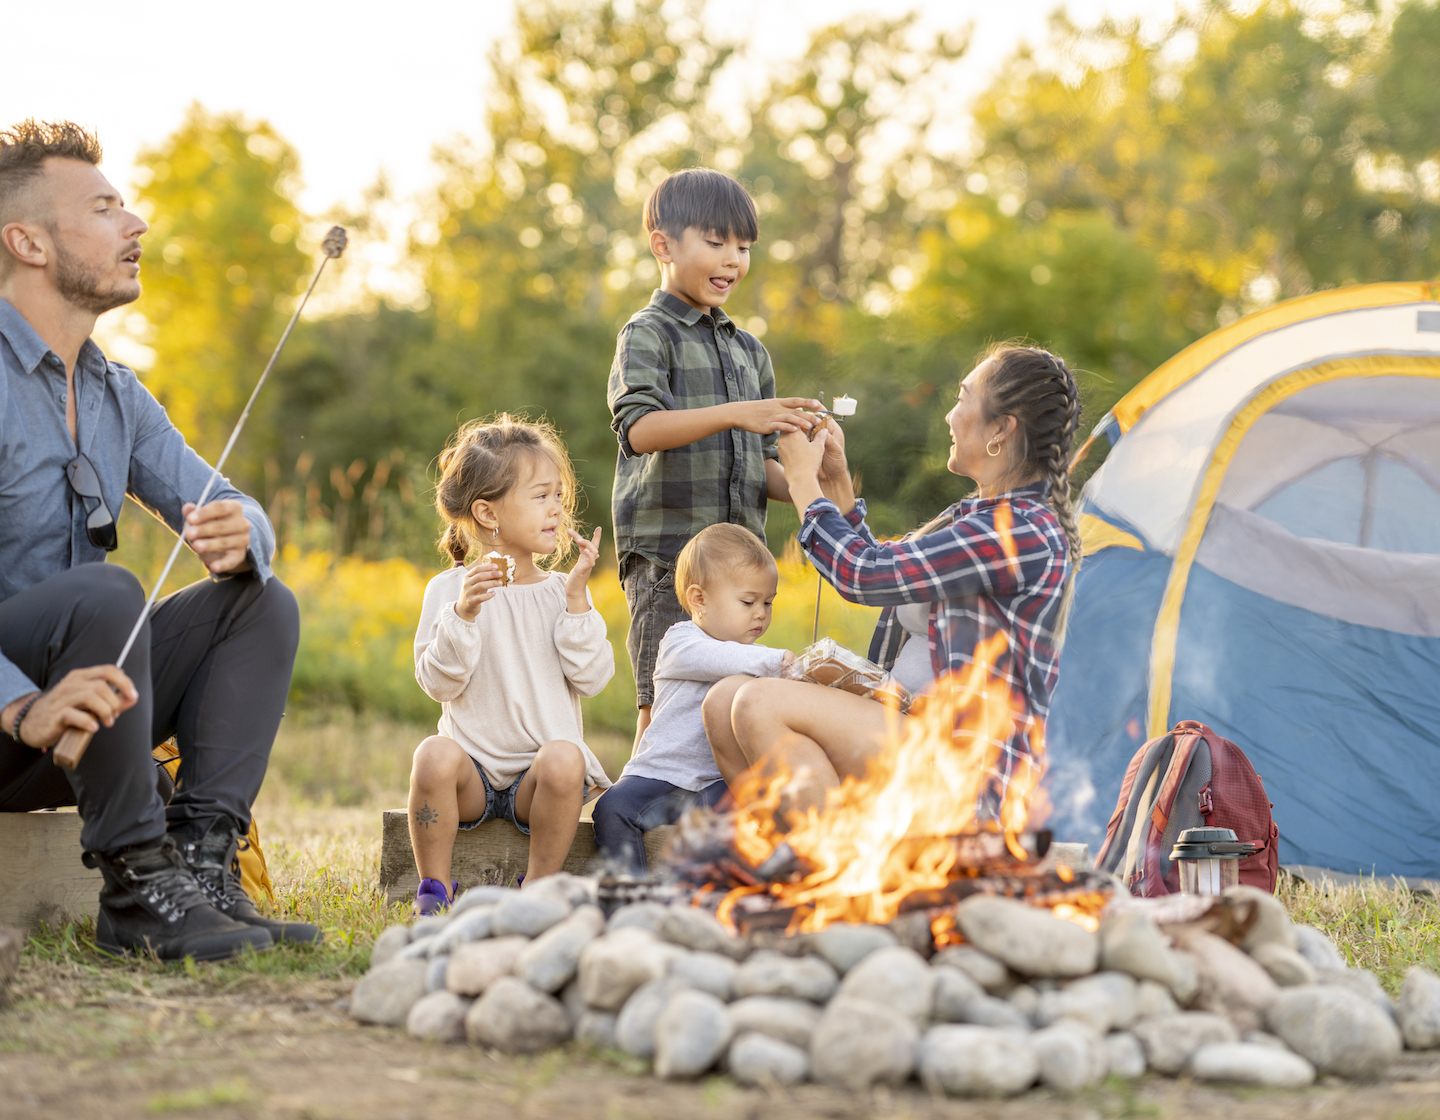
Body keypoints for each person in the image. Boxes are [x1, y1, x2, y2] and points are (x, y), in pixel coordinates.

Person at [0, 119, 313, 960]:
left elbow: (230, 504)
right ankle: (135, 887)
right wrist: (21, 705)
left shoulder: (116, 393)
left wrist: (242, 532)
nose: (136, 225)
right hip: (12, 718)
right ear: (26, 240)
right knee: (106, 592)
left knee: (258, 601)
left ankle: (202, 867)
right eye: (104, 208)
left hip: (81, 724)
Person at [705, 345, 1083, 820]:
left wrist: (802, 482)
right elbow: (881, 562)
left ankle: (831, 873)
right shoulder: (972, 516)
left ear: (1000, 429)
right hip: (908, 730)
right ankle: (794, 859)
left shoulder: (1021, 531)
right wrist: (834, 479)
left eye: (962, 399)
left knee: (757, 704)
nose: (950, 416)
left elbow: (863, 576)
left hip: (964, 770)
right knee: (721, 701)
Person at [607, 168, 821, 754]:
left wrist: (813, 473)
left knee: (728, 700)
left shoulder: (750, 351)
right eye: (716, 241)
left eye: (744, 247)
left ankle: (708, 826)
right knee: (662, 703)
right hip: (668, 554)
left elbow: (766, 472)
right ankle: (635, 824)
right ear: (664, 245)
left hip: (738, 566)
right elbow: (641, 429)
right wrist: (737, 413)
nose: (732, 259)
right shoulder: (648, 334)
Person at [409, 415, 614, 913]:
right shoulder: (448, 590)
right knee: (432, 754)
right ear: (487, 512)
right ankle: (433, 890)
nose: (557, 509)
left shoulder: (558, 592)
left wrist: (578, 602)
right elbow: (437, 684)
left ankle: (537, 890)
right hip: (471, 778)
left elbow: (593, 679)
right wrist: (464, 615)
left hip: (537, 783)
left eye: (559, 496)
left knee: (567, 756)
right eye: (541, 496)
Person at [593, 524, 791, 876]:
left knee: (747, 821)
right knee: (612, 808)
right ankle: (632, 896)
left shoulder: (756, 657)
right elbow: (717, 659)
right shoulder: (680, 641)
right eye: (748, 601)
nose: (760, 613)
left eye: (768, 603)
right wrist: (780, 663)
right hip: (662, 776)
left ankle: (709, 900)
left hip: (715, 783)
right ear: (699, 599)